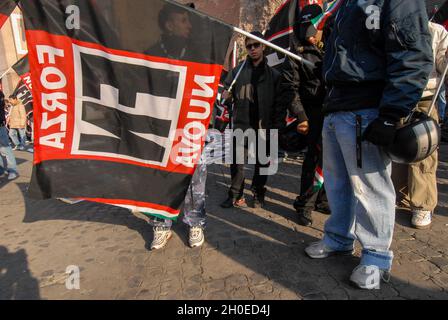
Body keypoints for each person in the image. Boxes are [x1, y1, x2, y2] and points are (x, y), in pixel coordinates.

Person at [305, 0, 433, 289]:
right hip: (337, 104)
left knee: (370, 186)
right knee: (337, 183)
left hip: (368, 107)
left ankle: (376, 256)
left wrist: (391, 114)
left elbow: (412, 53)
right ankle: (338, 237)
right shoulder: (345, 3)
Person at [392, 21, 448, 229]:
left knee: (423, 152)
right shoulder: (395, 25)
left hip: (425, 98)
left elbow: (443, 69)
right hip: (398, 96)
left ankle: (422, 204)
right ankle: (399, 193)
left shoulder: (436, 31)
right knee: (397, 148)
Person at [219, 31, 283, 209]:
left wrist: (278, 125)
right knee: (237, 162)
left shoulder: (274, 75)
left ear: (263, 46)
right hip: (242, 122)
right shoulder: (238, 71)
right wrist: (227, 95)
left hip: (264, 125)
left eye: (256, 45)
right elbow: (226, 92)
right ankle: (235, 194)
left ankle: (258, 193)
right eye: (249, 46)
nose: (253, 49)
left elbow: (279, 102)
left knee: (262, 163)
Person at [280, 4, 330, 227]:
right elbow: (290, 88)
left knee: (333, 159)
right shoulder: (296, 53)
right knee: (315, 157)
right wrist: (300, 116)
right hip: (312, 112)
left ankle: (323, 199)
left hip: (335, 109)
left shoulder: (333, 43)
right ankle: (304, 204)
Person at [0, 91, 19, 180]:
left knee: (6, 149)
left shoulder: (0, 95)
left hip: (0, 127)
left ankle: (13, 170)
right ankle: (1, 170)